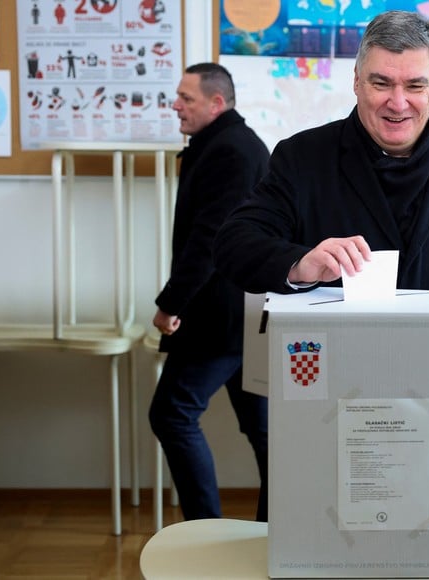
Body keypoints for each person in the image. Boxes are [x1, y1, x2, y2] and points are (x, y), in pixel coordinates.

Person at [212, 10, 429, 330]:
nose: (398, 102)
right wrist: (301, 263)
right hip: (331, 359)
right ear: (357, 81)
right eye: (382, 83)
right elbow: (233, 245)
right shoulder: (302, 156)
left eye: (415, 86)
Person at [149, 62, 271, 522]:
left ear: (216, 103)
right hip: (241, 317)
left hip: (220, 318)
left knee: (172, 415)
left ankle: (204, 530)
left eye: (186, 98)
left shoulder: (231, 152)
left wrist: (170, 304)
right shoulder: (226, 145)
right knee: (265, 432)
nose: (175, 105)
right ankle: (275, 532)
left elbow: (209, 240)